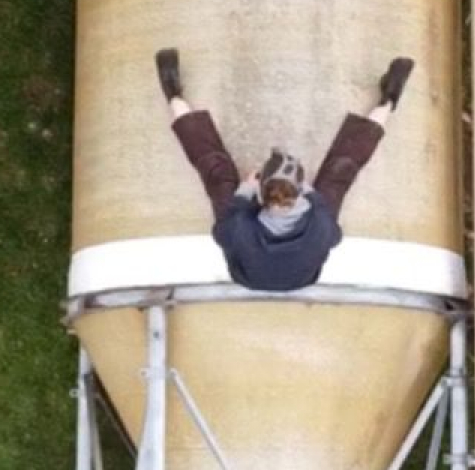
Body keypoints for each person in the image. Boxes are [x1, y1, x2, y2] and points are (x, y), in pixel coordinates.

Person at [156, 47, 413, 292]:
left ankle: (174, 95)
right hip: (300, 277)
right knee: (339, 174)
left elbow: (220, 234)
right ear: (303, 190)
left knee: (217, 173)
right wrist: (312, 196)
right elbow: (333, 238)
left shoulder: (238, 226)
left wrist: (244, 192)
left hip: (249, 275)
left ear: (261, 186)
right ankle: (388, 102)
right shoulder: (319, 222)